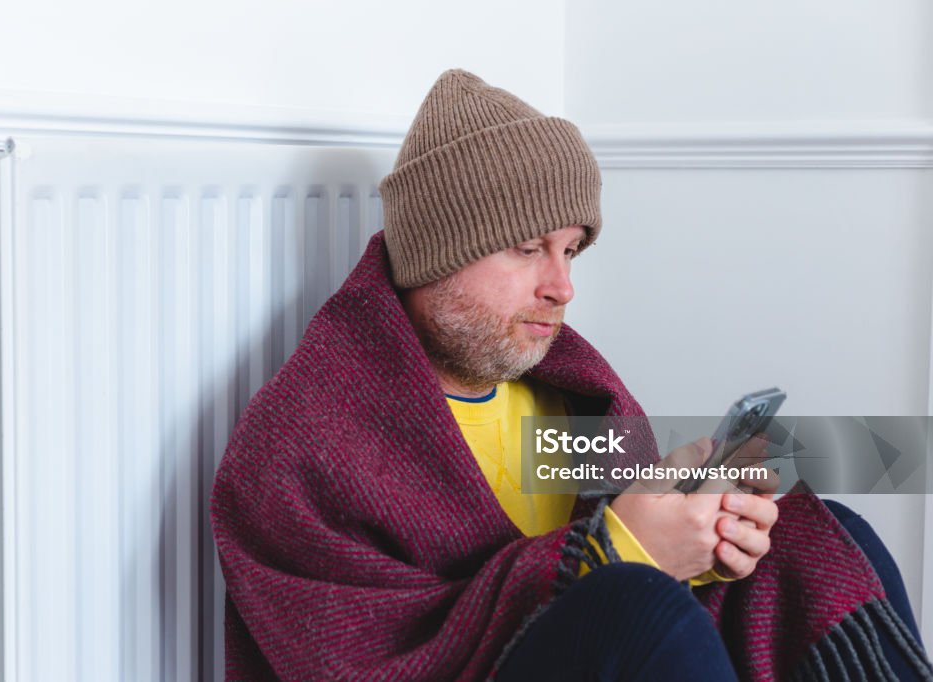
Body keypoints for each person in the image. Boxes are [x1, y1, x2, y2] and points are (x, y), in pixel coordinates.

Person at [211, 69, 932, 681]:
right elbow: (370, 657)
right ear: (433, 255)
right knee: (634, 606)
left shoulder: (565, 393)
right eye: (528, 248)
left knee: (820, 534)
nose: (562, 287)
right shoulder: (303, 442)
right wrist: (626, 551)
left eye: (571, 250)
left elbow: (624, 532)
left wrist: (696, 522)